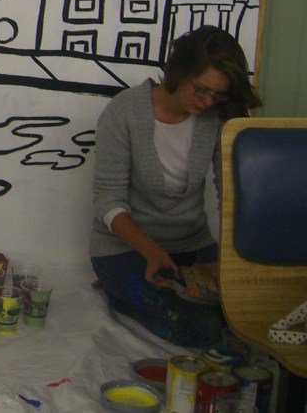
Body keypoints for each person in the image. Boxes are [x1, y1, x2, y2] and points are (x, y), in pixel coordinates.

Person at [90, 25, 261, 347]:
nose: (208, 101)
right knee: (203, 329)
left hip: (192, 245)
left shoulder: (217, 117)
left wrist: (227, 260)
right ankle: (119, 294)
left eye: (218, 95)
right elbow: (108, 201)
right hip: (125, 249)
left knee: (251, 316)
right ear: (179, 72)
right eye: (201, 90)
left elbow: (231, 195)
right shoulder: (124, 111)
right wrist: (153, 253)